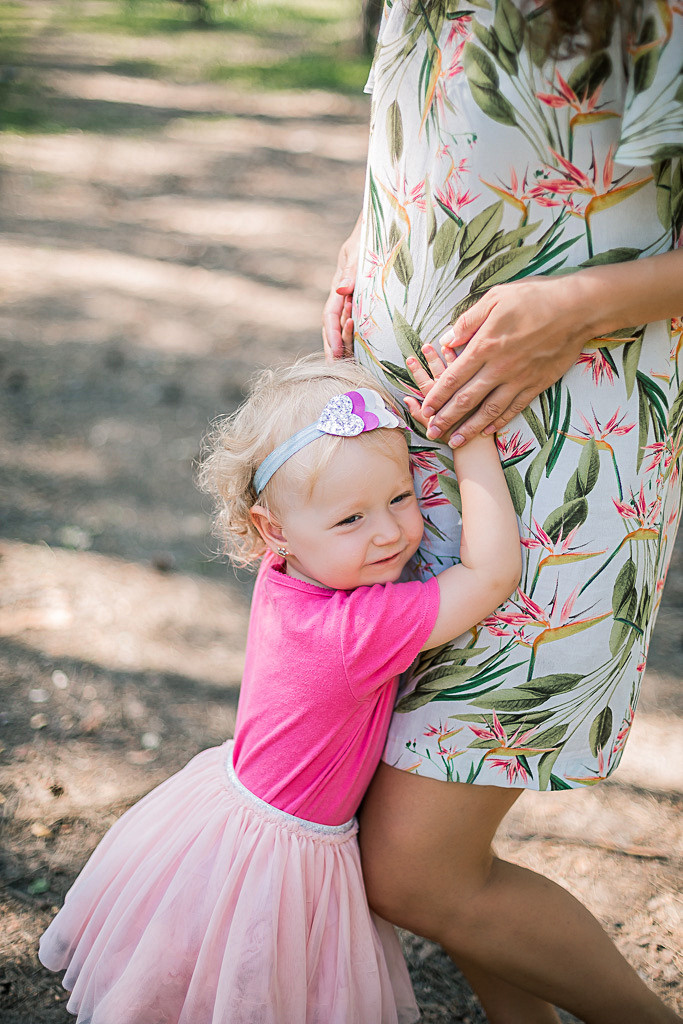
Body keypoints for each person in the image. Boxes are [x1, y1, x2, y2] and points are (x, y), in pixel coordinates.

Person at [322, 1, 683, 1022]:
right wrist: (366, 230)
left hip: (559, 474)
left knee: (412, 867)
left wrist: (574, 308)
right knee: (408, 826)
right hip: (398, 452)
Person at [38, 356, 521, 1024]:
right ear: (274, 530)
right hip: (278, 856)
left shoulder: (288, 572)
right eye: (351, 519)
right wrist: (470, 440)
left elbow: (316, 489)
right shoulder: (358, 630)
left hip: (226, 818)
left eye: (401, 497)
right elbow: (490, 574)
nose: (387, 532)